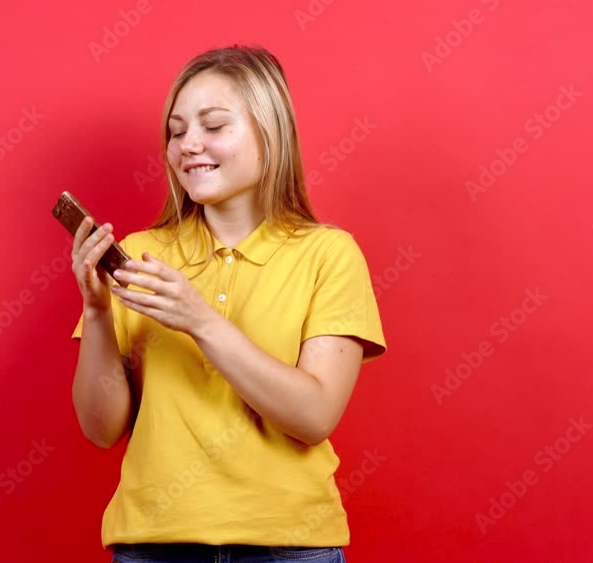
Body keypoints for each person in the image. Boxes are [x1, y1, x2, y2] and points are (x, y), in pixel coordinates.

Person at [69, 44, 387, 563]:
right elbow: (100, 429)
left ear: (271, 133)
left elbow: (312, 416)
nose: (188, 145)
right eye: (176, 132)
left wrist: (199, 320)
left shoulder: (329, 254)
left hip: (288, 547)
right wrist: (99, 313)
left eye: (213, 126)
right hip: (154, 545)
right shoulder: (145, 255)